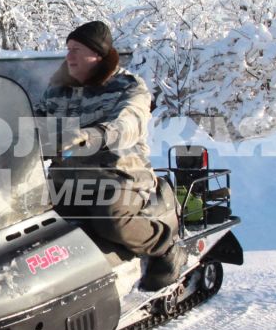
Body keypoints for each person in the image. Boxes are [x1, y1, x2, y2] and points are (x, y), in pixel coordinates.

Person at [34, 20, 184, 291]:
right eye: (68, 49)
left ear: (98, 55)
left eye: (77, 49)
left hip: (121, 177)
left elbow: (131, 121)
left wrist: (96, 135)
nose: (69, 56)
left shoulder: (127, 86)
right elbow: (34, 121)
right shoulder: (56, 92)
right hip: (66, 179)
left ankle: (165, 247)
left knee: (110, 217)